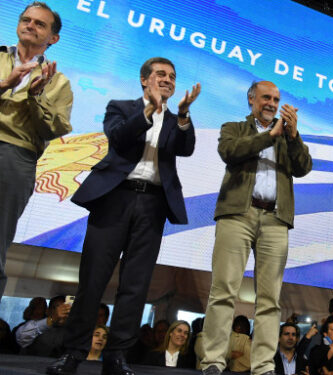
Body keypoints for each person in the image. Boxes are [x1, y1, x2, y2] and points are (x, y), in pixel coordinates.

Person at [46, 56, 200, 375]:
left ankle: (117, 356)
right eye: (160, 74)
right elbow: (118, 137)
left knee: (136, 284)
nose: (168, 79)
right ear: (144, 80)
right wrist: (149, 110)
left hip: (153, 204)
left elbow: (185, 148)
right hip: (114, 198)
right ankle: (73, 352)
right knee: (93, 278)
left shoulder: (175, 120)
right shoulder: (121, 106)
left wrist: (183, 114)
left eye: (172, 76)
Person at [200, 80, 312, 375]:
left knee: (270, 299)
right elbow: (230, 152)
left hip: (275, 220)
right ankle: (212, 360)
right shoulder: (233, 128)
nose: (272, 104)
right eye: (266, 97)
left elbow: (303, 167)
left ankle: (263, 366)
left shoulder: (287, 135)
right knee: (223, 289)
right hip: (238, 214)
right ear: (251, 99)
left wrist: (293, 135)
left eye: (276, 99)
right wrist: (269, 137)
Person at [0, 1, 72, 301]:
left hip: (15, 158)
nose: (30, 25)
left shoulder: (59, 81)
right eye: (26, 20)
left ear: (52, 38)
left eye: (40, 24)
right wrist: (6, 84)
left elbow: (53, 129)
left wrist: (34, 97)